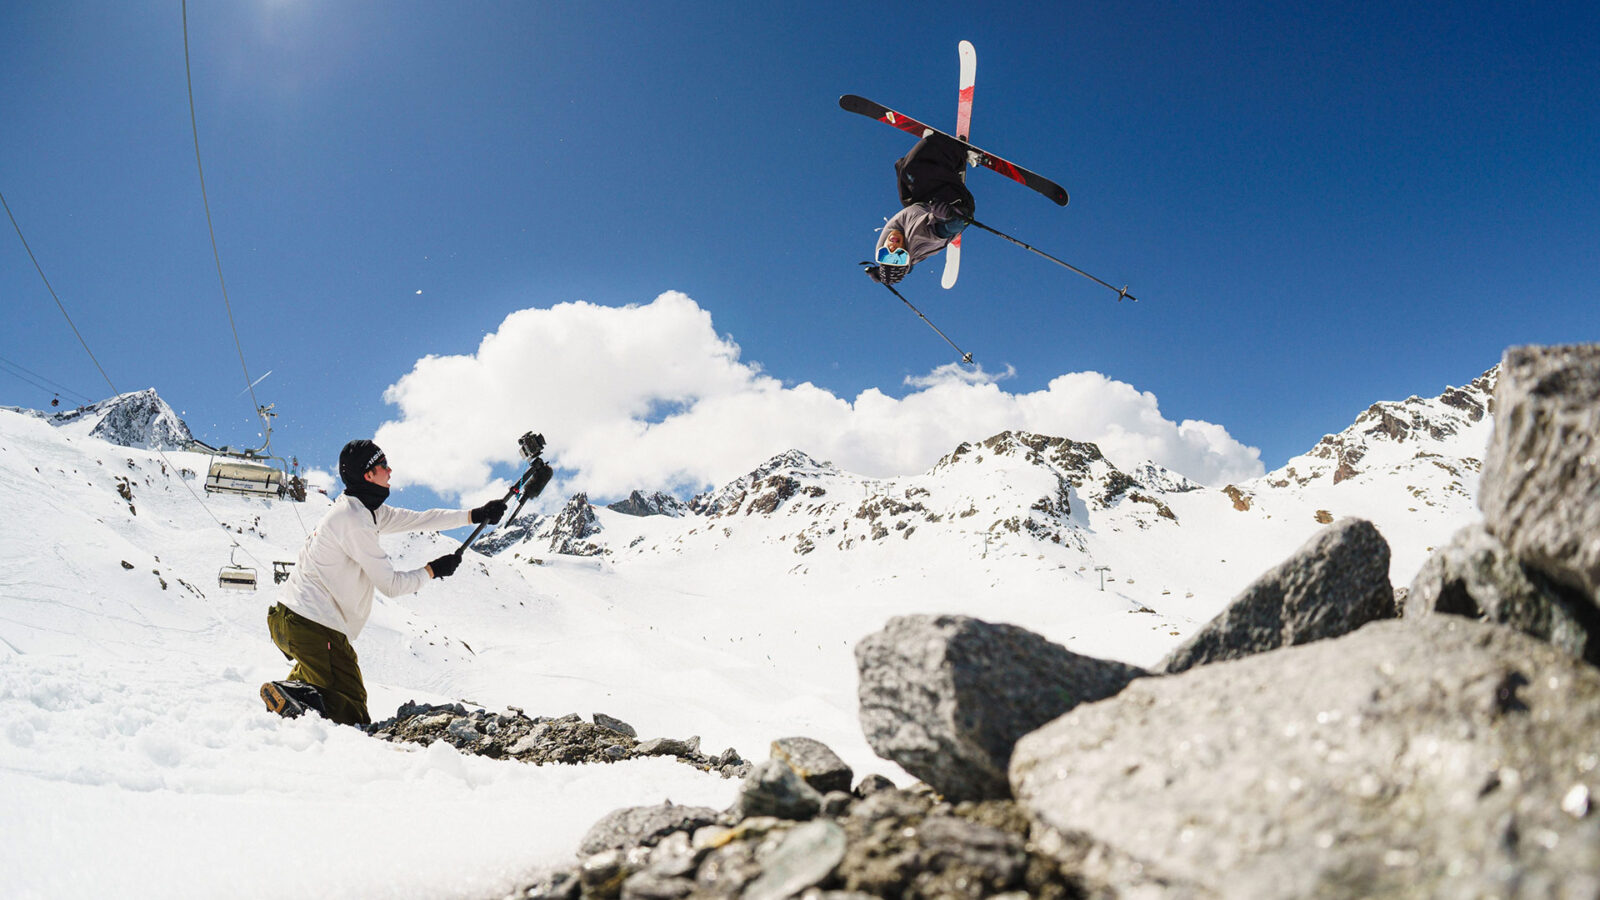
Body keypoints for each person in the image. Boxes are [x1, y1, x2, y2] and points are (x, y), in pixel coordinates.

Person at [259, 439, 506, 726]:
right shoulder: (353, 520)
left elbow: (420, 519)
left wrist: (474, 515)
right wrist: (432, 570)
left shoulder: (364, 511)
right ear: (368, 475)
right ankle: (298, 699)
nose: (390, 471)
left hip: (294, 621)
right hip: (313, 626)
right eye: (383, 466)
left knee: (324, 686)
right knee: (353, 712)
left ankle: (291, 703)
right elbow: (390, 585)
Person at [865, 132, 975, 285]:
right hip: (954, 208)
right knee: (913, 168)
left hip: (921, 206)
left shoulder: (891, 249)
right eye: (899, 255)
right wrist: (946, 218)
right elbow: (947, 229)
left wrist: (882, 274)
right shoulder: (920, 237)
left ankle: (938, 160)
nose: (892, 247)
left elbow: (905, 266)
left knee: (903, 172)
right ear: (907, 255)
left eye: (885, 255)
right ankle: (961, 151)